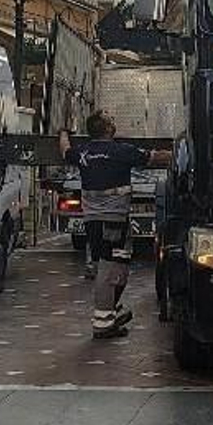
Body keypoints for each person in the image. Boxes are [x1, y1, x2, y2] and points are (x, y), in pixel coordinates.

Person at [58, 111, 160, 339]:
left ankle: (110, 313)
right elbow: (155, 158)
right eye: (110, 120)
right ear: (106, 129)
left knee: (119, 263)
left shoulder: (84, 152)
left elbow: (65, 150)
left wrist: (63, 133)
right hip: (113, 220)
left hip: (95, 220)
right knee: (109, 266)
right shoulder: (120, 151)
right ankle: (103, 322)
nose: (114, 122)